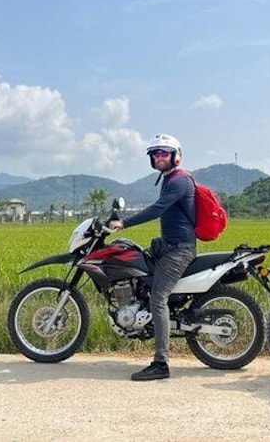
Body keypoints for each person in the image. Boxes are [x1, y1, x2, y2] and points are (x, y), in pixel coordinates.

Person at [108, 133, 197, 381]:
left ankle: (161, 363)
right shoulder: (169, 180)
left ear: (175, 156)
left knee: (159, 297)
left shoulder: (180, 181)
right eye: (155, 153)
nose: (159, 157)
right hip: (169, 247)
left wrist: (123, 223)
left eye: (163, 153)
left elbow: (157, 210)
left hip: (179, 249)